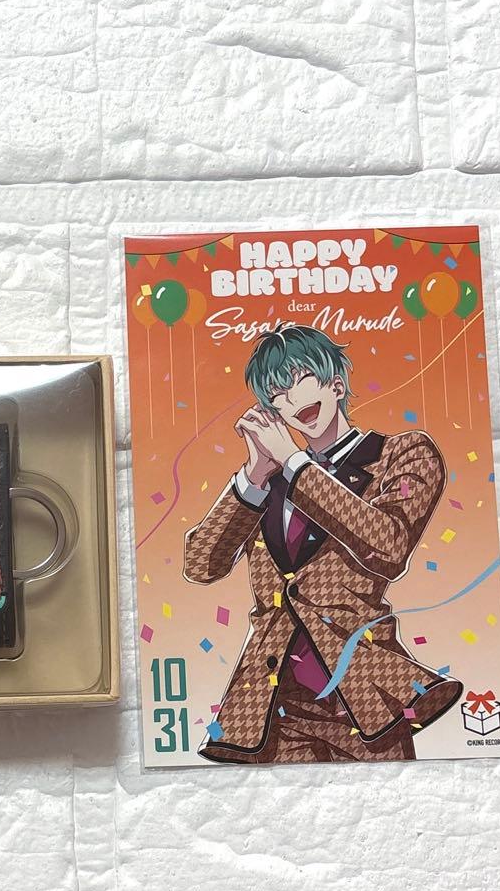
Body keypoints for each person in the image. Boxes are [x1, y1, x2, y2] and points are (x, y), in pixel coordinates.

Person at [184, 325, 462, 763]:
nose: (292, 399)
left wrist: (294, 463)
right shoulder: (268, 483)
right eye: (277, 394)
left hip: (365, 696)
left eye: (300, 381)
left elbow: (387, 546)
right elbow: (201, 565)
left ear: (335, 384)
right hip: (273, 708)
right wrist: (254, 476)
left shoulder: (400, 454)